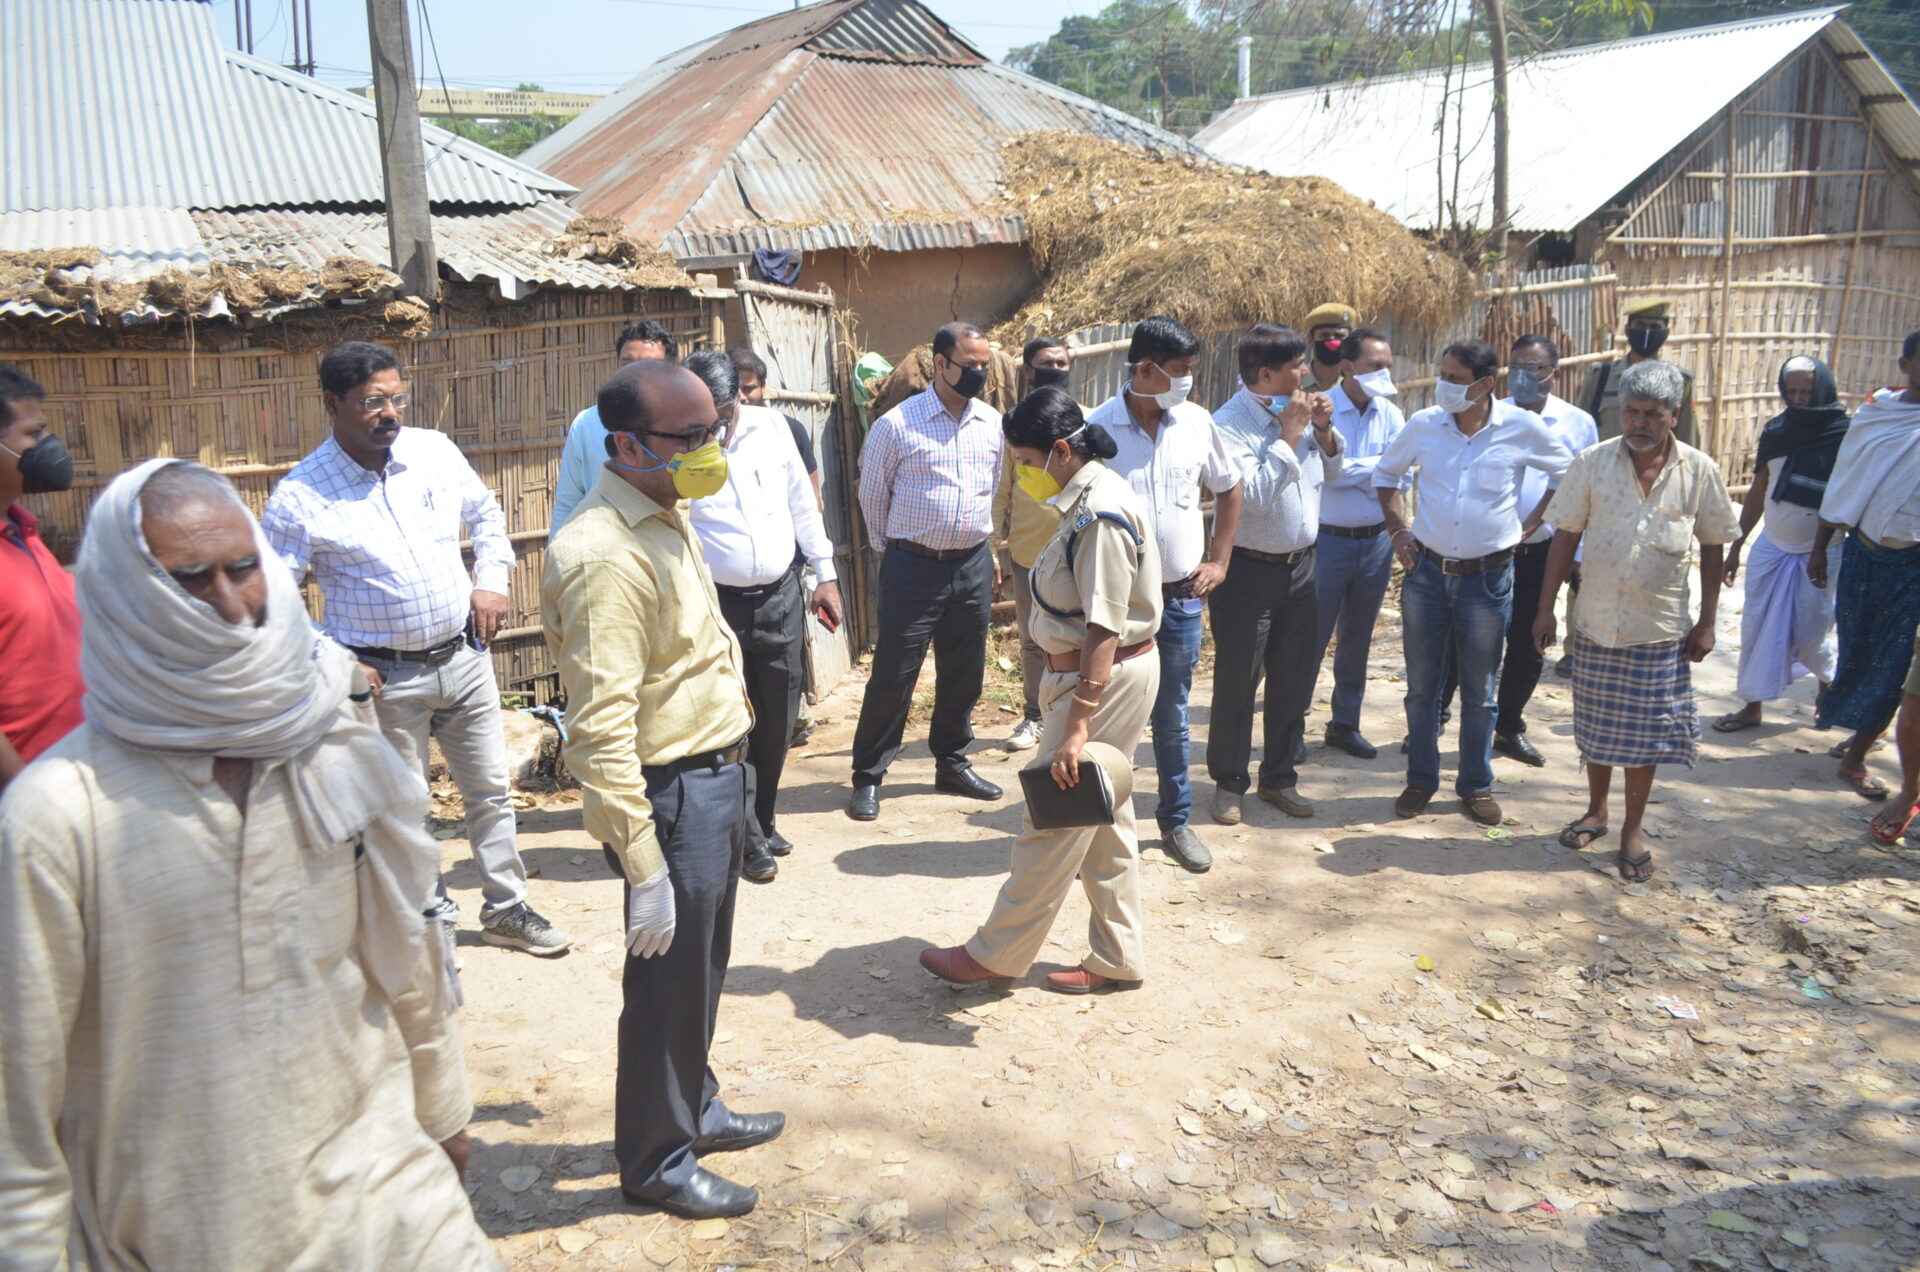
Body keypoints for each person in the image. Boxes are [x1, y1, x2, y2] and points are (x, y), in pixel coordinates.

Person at [0, 460, 500, 1270]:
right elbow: (15, 1094)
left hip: (384, 1189)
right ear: (125, 597)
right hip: (184, 1227)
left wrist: (443, 1112)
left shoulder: (329, 739)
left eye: (243, 569)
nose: (232, 604)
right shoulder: (61, 813)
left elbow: (403, 948)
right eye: (190, 580)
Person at [542, 359, 785, 1221]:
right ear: (626, 444)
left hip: (717, 778)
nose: (710, 449)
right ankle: (657, 1159)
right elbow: (601, 732)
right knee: (666, 989)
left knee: (702, 973)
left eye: (714, 429)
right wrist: (642, 866)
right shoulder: (602, 554)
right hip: (669, 797)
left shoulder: (665, 511)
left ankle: (698, 1107)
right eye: (691, 439)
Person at [263, 342, 570, 956]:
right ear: (332, 404)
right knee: (405, 807)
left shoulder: (432, 450)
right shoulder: (302, 495)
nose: (390, 413)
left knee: (489, 793)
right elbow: (273, 598)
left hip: (465, 657)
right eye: (372, 402)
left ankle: (507, 908)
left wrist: (490, 582)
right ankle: (432, 917)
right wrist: (334, 658)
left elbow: (486, 516)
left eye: (397, 397)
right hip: (383, 680)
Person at [918, 387, 1162, 995]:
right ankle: (1118, 955)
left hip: (1098, 681)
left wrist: (1079, 720)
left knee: (1050, 820)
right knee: (1104, 821)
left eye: (1025, 462)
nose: (1021, 474)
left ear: (1059, 451)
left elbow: (1105, 624)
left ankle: (997, 953)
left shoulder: (1099, 513)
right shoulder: (1086, 499)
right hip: (1094, 677)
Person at [1532, 361, 1740, 881]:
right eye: (1631, 411)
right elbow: (1564, 538)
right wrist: (1545, 609)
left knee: (1645, 737)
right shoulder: (1592, 463)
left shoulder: (1699, 471)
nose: (1639, 422)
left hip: (1660, 626)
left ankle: (1632, 828)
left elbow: (1714, 545)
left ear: (1674, 415)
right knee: (1598, 729)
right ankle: (1597, 811)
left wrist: (1707, 621)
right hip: (1598, 620)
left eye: (1652, 413)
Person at [1375, 339, 1573, 825]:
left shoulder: (1522, 428)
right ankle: (1420, 780)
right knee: (1422, 688)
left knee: (1481, 691)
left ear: (1486, 385)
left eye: (1455, 378)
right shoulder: (1423, 425)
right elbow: (1386, 477)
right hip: (1425, 575)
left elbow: (1567, 473)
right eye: (1442, 374)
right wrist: (1399, 531)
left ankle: (1475, 785)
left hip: (1488, 580)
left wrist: (1533, 525)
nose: (1444, 386)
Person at [681, 351, 843, 881]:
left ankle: (763, 818)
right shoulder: (680, 442)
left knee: (777, 719)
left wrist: (825, 574)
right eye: (709, 413)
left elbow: (803, 502)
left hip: (779, 597)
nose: (719, 423)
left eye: (725, 410)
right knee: (729, 724)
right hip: (715, 607)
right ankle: (748, 840)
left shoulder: (774, 429)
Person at [1093, 316, 1242, 872]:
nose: (1188, 382)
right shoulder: (1097, 430)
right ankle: (1103, 823)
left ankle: (1176, 822)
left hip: (1181, 597)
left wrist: (1219, 561)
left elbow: (1230, 490)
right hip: (1120, 606)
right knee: (1111, 717)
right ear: (1145, 369)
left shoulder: (1198, 423)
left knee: (1173, 716)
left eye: (1190, 371)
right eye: (1179, 372)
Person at [846, 322, 1005, 821]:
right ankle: (869, 775)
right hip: (913, 565)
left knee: (966, 671)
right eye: (969, 366)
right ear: (940, 364)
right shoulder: (897, 425)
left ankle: (952, 762)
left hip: (973, 562)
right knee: (894, 674)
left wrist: (986, 548)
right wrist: (890, 553)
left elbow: (992, 487)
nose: (979, 375)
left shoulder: (991, 424)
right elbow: (871, 496)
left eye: (985, 367)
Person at [1207, 324, 1340, 823]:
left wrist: (1321, 430)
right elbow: (1253, 498)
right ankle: (1229, 783)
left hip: (1303, 566)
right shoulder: (1229, 424)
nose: (1306, 372)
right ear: (1266, 374)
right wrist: (1289, 432)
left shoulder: (1303, 414)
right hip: (1247, 573)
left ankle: (1279, 778)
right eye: (1296, 366)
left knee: (1293, 680)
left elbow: (1333, 473)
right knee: (1238, 682)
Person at [1714, 356, 1851, 735]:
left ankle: (1829, 693)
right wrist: (1735, 548)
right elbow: (1758, 493)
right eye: (1792, 391)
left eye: (1807, 391)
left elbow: (1842, 498)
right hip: (1772, 546)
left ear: (1822, 388)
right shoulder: (1777, 431)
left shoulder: (1842, 433)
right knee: (1757, 628)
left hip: (1820, 551)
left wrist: (1821, 549)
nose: (1800, 398)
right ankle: (1751, 706)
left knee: (1812, 632)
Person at [1480, 335, 1599, 766]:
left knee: (1530, 645)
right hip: (1489, 552)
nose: (1526, 377)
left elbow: (1586, 492)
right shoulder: (1492, 415)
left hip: (1542, 554)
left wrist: (1579, 556)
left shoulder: (1578, 423)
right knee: (1469, 642)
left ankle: (1509, 727)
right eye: (1517, 368)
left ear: (1555, 372)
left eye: (1535, 368)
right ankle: (1435, 721)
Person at [1815, 329, 1920, 799]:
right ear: (1904, 364)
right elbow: (1845, 483)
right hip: (1861, 553)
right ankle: (1855, 727)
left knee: (1894, 661)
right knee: (1856, 648)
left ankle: (1856, 754)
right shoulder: (1878, 416)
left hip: (1913, 564)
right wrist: (1820, 547)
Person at [1313, 327, 1407, 759]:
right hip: (1327, 542)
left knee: (1357, 640)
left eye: (1388, 366)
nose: (1384, 374)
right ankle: (1289, 728)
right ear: (1347, 367)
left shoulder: (1390, 413)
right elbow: (1325, 473)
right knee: (1308, 640)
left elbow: (1402, 473)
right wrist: (1377, 470)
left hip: (1375, 543)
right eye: (1376, 366)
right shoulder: (1323, 411)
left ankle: (1344, 724)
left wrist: (1357, 469)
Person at [730, 347, 826, 749]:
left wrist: (815, 562)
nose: (741, 397)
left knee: (791, 647)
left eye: (749, 388)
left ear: (764, 387)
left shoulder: (786, 429)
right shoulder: (709, 435)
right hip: (736, 580)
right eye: (734, 389)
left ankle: (795, 718)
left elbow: (811, 498)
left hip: (788, 566)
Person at [0, 364, 84, 792]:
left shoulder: (23, 531)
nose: (49, 446)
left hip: (72, 779)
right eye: (33, 434)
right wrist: (26, 799)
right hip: (30, 797)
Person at [991, 336, 1072, 751]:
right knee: (1032, 640)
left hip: (1078, 553)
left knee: (1084, 635)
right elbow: (1001, 492)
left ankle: (1083, 718)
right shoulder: (1015, 427)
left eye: (1062, 363)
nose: (1056, 370)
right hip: (1028, 554)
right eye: (1047, 363)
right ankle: (1035, 717)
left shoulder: (1084, 422)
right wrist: (992, 549)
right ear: (1027, 370)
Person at [552, 319, 679, 535]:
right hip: (603, 550)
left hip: (667, 548)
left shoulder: (683, 426)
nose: (636, 373)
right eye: (627, 363)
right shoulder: (587, 424)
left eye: (649, 365)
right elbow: (569, 502)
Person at [1587, 299, 1698, 449]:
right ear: (1627, 330)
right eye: (1640, 325)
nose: (1647, 332)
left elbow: (1687, 438)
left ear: (1665, 333)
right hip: (1606, 469)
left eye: (1654, 327)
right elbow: (1580, 429)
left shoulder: (1680, 382)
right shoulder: (1601, 377)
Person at [1302, 301, 1357, 395]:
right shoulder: (1293, 384)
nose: (1332, 341)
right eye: (1324, 335)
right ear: (1310, 340)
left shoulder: (1358, 385)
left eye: (1339, 335)